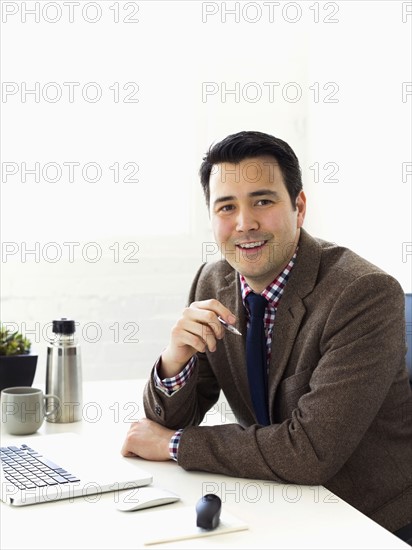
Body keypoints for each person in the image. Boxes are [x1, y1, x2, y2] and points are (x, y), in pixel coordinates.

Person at [121, 130, 412, 541]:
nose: (245, 223)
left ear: (299, 206)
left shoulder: (362, 294)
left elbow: (311, 451)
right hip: (274, 499)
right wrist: (175, 359)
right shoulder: (213, 280)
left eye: (262, 200)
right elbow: (168, 422)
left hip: (369, 518)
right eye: (226, 207)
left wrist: (176, 445)